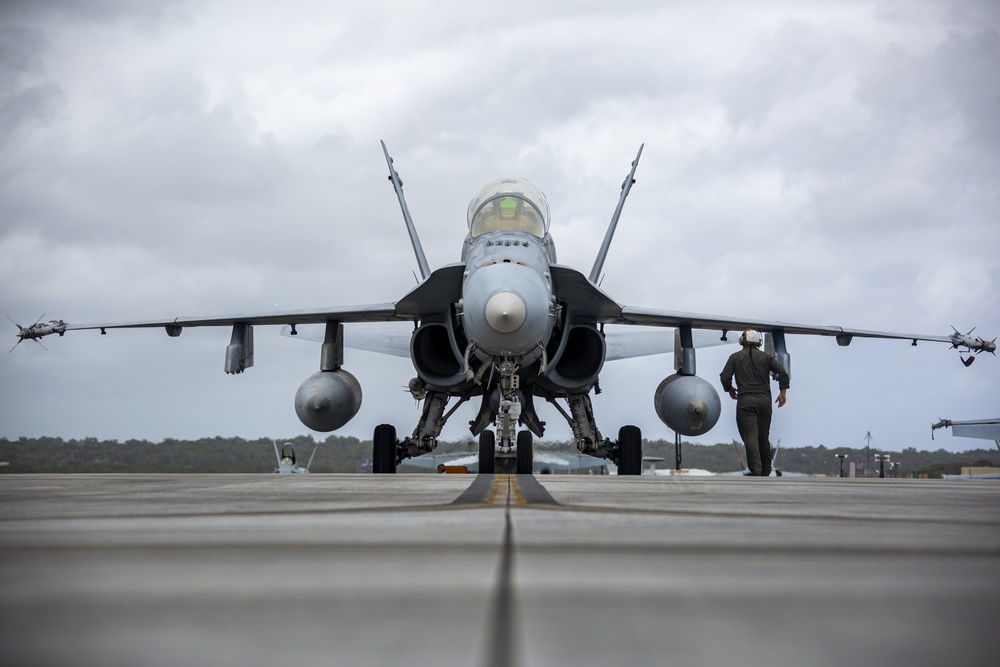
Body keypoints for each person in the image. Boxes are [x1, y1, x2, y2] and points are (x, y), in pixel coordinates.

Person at [719, 329, 790, 476]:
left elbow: (725, 377)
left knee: (750, 435)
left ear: (742, 341)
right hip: (765, 401)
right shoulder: (767, 357)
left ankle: (756, 470)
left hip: (746, 400)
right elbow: (783, 373)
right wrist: (783, 392)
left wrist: (730, 389)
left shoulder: (735, 357)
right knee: (764, 436)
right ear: (759, 342)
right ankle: (766, 470)